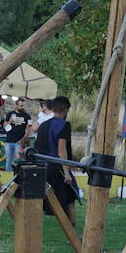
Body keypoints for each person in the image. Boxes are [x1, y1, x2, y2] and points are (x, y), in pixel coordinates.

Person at [36, 96, 78, 225]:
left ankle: (71, 230)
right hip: (57, 168)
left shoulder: (43, 125)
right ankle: (71, 230)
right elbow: (61, 150)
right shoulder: (64, 125)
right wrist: (66, 172)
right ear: (65, 110)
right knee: (68, 198)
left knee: (47, 199)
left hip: (42, 168)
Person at [2, 97, 32, 173]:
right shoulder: (10, 114)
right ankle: (8, 175)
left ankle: (17, 175)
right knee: (8, 159)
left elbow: (28, 130)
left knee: (18, 159)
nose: (22, 107)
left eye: (23, 105)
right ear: (16, 105)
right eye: (21, 105)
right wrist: (10, 121)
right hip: (9, 141)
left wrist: (23, 140)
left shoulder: (27, 116)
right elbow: (5, 126)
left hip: (19, 142)